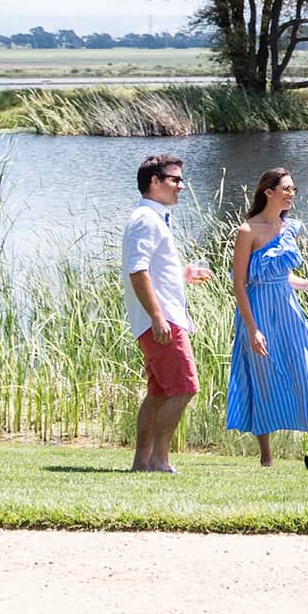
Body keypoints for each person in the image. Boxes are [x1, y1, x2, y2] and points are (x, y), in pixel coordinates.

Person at [225, 168, 308, 467]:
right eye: (286, 189)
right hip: (258, 311)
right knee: (263, 377)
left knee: (305, 374)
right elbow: (239, 284)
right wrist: (253, 329)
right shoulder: (247, 231)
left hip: (288, 311)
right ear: (269, 192)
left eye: (294, 189)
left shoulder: (291, 228)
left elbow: (283, 277)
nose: (291, 194)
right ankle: (266, 457)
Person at [121, 153, 211, 473]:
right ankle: (160, 460)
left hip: (160, 319)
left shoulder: (153, 218)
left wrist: (182, 275)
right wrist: (158, 317)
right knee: (186, 388)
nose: (181, 187)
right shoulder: (146, 219)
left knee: (158, 393)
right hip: (163, 321)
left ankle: (142, 462)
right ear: (154, 182)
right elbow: (137, 271)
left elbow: (151, 268)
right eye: (175, 180)